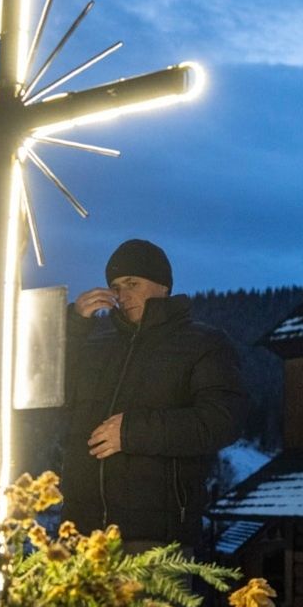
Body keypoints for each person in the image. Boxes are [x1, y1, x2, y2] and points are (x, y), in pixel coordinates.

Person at [61, 238, 248, 557]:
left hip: (155, 540)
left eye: (132, 283)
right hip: (82, 535)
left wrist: (133, 432)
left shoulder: (202, 343)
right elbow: (48, 395)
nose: (122, 295)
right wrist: (74, 326)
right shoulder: (97, 345)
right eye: (115, 286)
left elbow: (222, 421)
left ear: (163, 285)